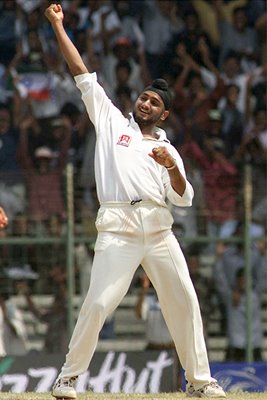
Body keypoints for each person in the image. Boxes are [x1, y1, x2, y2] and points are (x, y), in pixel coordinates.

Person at [45, 4, 226, 399]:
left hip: (159, 230)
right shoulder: (111, 122)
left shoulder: (167, 148)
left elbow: (183, 198)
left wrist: (172, 166)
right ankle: (68, 378)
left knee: (185, 302)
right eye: (143, 98)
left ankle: (199, 382)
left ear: (164, 114)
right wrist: (58, 25)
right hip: (118, 229)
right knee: (98, 303)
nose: (144, 103)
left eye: (153, 103)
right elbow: (82, 74)